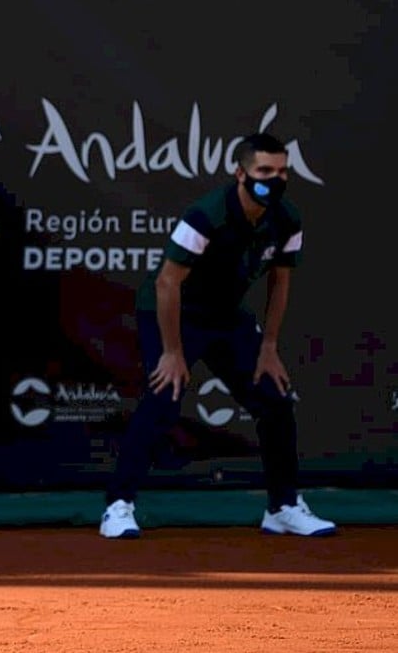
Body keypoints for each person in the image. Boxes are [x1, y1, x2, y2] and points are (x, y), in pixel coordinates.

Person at [100, 132, 337, 540]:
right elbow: (167, 284)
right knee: (163, 397)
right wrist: (173, 351)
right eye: (265, 171)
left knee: (275, 399)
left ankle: (282, 508)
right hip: (174, 311)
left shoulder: (288, 218)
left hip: (226, 316)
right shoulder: (206, 215)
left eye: (282, 171)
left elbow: (280, 284)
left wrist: (268, 348)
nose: (275, 179)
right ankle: (118, 507)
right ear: (240, 173)